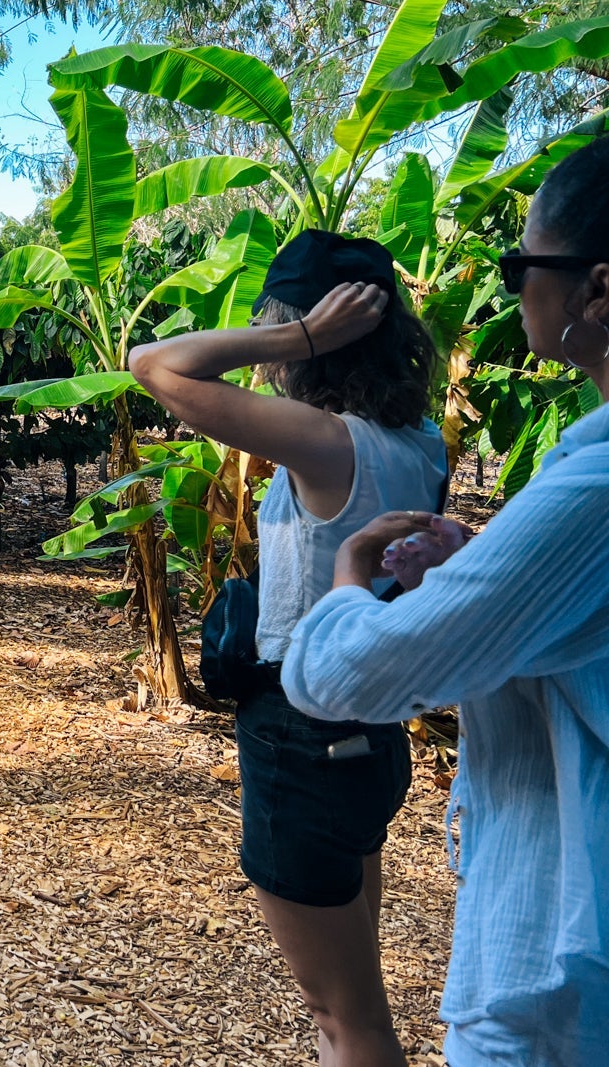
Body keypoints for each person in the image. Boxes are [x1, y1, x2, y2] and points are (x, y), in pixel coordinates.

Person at [282, 136, 609, 1066]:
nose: (513, 289)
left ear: (599, 290)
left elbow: (343, 672)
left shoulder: (596, 484)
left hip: (554, 968)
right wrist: (488, 564)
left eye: (522, 265)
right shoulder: (482, 447)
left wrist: (348, 577)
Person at [128, 230, 446, 1066]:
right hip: (366, 733)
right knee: (356, 1003)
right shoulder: (418, 440)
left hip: (304, 739)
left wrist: (300, 337)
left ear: (328, 330)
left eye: (280, 326)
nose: (271, 358)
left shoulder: (327, 441)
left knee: (348, 1018)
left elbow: (153, 364)